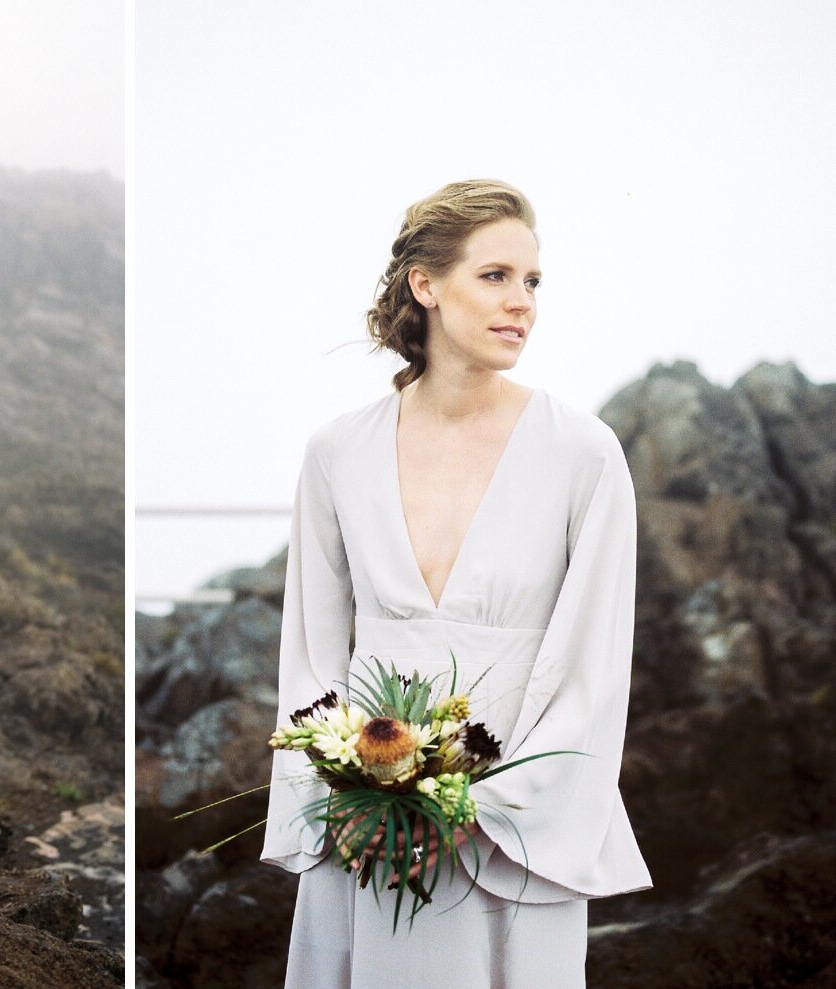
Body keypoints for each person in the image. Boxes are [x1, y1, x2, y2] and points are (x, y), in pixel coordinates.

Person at [259, 179, 653, 988]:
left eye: (533, 281)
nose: (523, 303)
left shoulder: (584, 453)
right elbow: (311, 656)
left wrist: (474, 810)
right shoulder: (337, 452)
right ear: (426, 285)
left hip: (511, 842)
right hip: (363, 832)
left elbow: (591, 671)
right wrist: (348, 801)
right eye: (496, 276)